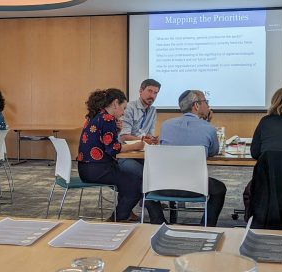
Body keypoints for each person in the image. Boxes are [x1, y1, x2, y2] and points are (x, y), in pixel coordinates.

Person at [145, 90, 227, 227]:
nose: (208, 105)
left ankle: (158, 220)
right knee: (220, 189)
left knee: (146, 183)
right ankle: (206, 226)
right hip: (196, 187)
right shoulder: (209, 128)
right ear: (196, 105)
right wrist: (206, 123)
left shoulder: (166, 125)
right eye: (206, 102)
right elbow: (213, 152)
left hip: (163, 185)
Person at [77, 88, 145, 222]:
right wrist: (134, 146)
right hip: (98, 169)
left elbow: (104, 143)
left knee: (128, 180)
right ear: (115, 103)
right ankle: (117, 219)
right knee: (136, 184)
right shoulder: (107, 118)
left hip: (86, 168)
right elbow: (112, 149)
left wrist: (117, 131)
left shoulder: (96, 116)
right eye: (123, 108)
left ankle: (124, 213)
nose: (124, 113)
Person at [117, 79, 160, 179]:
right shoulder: (128, 108)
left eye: (155, 93)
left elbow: (148, 135)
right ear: (141, 91)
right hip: (125, 155)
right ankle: (137, 194)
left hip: (142, 153)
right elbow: (123, 137)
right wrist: (144, 140)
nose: (152, 96)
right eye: (149, 91)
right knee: (146, 174)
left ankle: (146, 194)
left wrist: (152, 139)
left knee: (158, 170)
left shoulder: (153, 110)